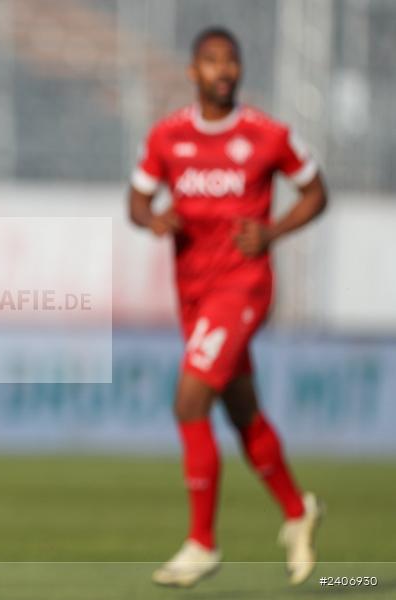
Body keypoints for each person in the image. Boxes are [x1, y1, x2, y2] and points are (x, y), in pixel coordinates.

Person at [128, 27, 327, 587]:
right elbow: (137, 200)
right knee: (241, 411)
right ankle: (296, 510)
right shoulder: (168, 137)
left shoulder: (266, 135)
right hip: (193, 291)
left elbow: (316, 192)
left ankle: (202, 543)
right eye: (212, 61)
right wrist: (153, 218)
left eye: (231, 61)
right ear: (193, 72)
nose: (223, 70)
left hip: (244, 287)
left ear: (239, 70)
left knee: (190, 400)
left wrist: (273, 230)